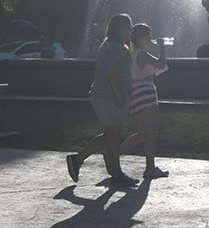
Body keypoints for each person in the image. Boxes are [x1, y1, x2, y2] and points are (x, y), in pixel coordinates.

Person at [66, 13, 136, 186]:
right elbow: (113, 74)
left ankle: (113, 170)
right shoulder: (113, 47)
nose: (131, 30)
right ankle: (81, 160)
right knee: (112, 136)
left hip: (106, 95)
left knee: (111, 136)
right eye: (128, 27)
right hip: (109, 96)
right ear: (120, 28)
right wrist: (119, 95)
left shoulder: (113, 45)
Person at [120, 23, 170, 179]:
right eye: (148, 35)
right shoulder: (142, 54)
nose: (150, 38)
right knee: (151, 133)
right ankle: (150, 168)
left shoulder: (132, 54)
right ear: (141, 37)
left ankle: (113, 154)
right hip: (146, 92)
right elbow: (161, 64)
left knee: (141, 133)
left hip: (135, 93)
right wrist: (162, 48)